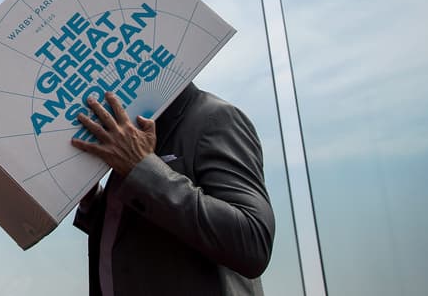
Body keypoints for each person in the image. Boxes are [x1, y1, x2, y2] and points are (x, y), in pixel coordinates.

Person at [70, 84, 275, 295]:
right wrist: (92, 200)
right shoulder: (130, 128)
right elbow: (138, 232)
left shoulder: (215, 117)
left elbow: (252, 241)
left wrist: (142, 168)